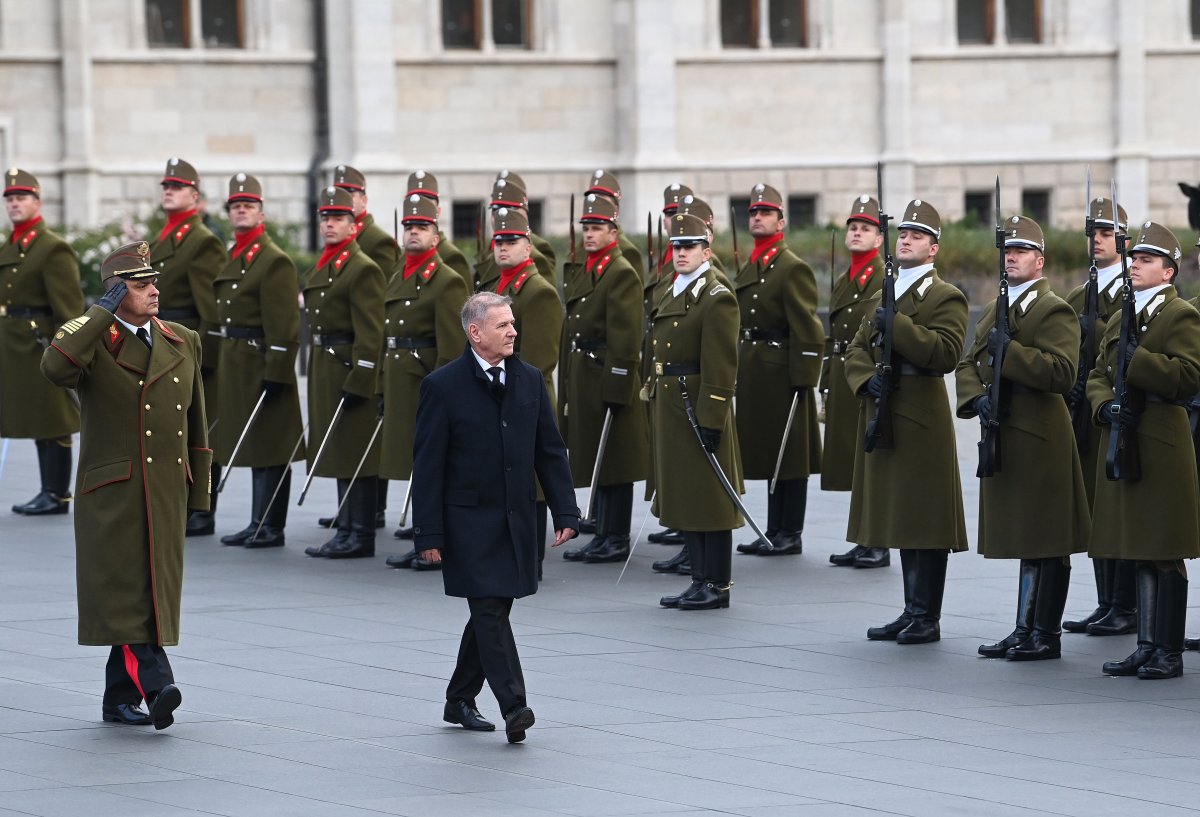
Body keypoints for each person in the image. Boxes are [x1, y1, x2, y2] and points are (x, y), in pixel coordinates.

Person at [41, 240, 209, 729]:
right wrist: (101, 314)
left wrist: (199, 494)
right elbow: (54, 368)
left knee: (148, 590)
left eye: (154, 281)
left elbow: (196, 420)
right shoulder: (92, 341)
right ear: (116, 294)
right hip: (113, 493)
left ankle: (118, 699)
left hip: (165, 490)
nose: (154, 290)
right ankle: (157, 684)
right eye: (140, 285)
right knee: (127, 590)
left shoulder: (182, 339)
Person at [412, 292, 579, 743]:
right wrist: (428, 532)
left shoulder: (529, 379)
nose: (512, 331)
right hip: (466, 521)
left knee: (493, 607)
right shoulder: (442, 386)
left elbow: (549, 449)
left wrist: (566, 509)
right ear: (475, 332)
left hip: (516, 516)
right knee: (488, 607)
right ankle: (515, 705)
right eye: (502, 325)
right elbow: (427, 466)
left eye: (512, 324)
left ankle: (459, 696)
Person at [955, 215, 1090, 660]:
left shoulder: (1054, 309)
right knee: (1025, 537)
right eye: (1007, 251)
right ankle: (1022, 628)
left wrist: (1009, 353)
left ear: (1040, 260)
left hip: (1042, 435)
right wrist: (977, 400)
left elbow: (1062, 373)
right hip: (1005, 432)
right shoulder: (998, 307)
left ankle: (1045, 634)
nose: (1011, 257)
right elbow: (968, 363)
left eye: (1021, 251)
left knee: (1047, 538)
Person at [844, 199, 968, 644]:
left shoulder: (945, 295)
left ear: (934, 248)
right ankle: (910, 609)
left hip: (921, 416)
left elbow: (945, 354)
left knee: (925, 520)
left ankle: (926, 616)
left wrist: (896, 326)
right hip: (885, 410)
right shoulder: (884, 292)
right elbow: (856, 350)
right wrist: (864, 381)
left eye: (917, 236)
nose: (907, 241)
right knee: (900, 515)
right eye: (903, 234)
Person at [1089, 222, 1200, 680]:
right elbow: (1097, 374)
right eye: (1134, 259)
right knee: (1137, 545)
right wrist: (1106, 406)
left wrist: (1139, 362)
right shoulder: (1121, 315)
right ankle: (1146, 644)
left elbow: (1189, 377)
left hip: (1163, 439)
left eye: (1146, 261)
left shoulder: (1182, 316)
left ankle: (1168, 651)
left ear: (1169, 272)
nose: (1134, 265)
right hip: (1125, 434)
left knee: (1163, 548)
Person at [651, 213, 743, 611]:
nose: (681, 253)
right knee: (687, 495)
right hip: (672, 405)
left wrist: (712, 418)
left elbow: (721, 364)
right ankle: (698, 579)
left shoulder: (716, 295)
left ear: (707, 250)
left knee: (712, 498)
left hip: (698, 405)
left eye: (689, 246)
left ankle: (717, 585)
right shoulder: (676, 289)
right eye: (676, 246)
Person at [213, 174, 305, 549]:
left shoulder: (273, 260)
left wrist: (278, 371)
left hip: (262, 362)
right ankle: (256, 521)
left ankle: (270, 526)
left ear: (261, 213)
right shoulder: (236, 254)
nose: (241, 212)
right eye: (236, 206)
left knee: (271, 445)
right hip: (237, 361)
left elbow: (284, 324)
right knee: (252, 442)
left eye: (248, 206)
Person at [732, 184, 824, 557]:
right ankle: (773, 529)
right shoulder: (752, 263)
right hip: (757, 371)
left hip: (784, 372)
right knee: (772, 451)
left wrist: (804, 380)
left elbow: (807, 327)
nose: (757, 217)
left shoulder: (791, 267)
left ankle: (790, 532)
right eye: (753, 212)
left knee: (791, 454)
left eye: (765, 212)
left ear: (781, 221)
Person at [557, 194, 649, 565]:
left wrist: (618, 385)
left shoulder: (621, 271)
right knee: (599, 455)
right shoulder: (590, 268)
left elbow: (626, 337)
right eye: (587, 228)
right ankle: (603, 533)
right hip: (586, 374)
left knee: (615, 460)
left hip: (607, 375)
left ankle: (616, 537)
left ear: (614, 231)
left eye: (597, 228)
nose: (590, 235)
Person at [379, 194, 468, 570]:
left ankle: (437, 545)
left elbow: (450, 346)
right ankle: (424, 540)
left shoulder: (446, 280)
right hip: (403, 380)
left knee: (434, 466)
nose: (413, 232)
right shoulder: (401, 272)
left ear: (436, 234)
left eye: (422, 227)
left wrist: (444, 395)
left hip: (428, 382)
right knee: (419, 462)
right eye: (409, 227)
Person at [1061, 197, 1137, 636]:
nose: (1097, 240)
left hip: (1116, 408)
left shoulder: (1132, 289)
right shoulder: (1077, 295)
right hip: (1082, 408)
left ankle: (1125, 604)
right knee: (1093, 504)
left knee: (1116, 504)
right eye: (1093, 232)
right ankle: (1107, 601)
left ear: (1123, 240)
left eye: (1106, 233)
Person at [301, 186, 386, 560]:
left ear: (354, 224)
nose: (330, 225)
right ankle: (346, 529)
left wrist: (363, 376)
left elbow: (371, 332)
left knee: (357, 454)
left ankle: (361, 533)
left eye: (338, 218)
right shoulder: (327, 262)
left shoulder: (362, 267)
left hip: (349, 368)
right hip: (326, 367)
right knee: (338, 449)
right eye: (326, 219)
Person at [149, 158, 226, 536]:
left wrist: (204, 360)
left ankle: (203, 510)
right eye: (166, 186)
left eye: (177, 187)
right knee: (171, 428)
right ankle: (180, 504)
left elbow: (211, 308)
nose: (169, 191)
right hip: (164, 341)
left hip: (187, 346)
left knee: (198, 430)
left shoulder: (201, 241)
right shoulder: (167, 237)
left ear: (194, 196)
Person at [1, 168, 84, 516]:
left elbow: (69, 309)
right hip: (12, 345)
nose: (14, 204)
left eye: (21, 198)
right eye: (10, 198)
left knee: (53, 418)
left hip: (41, 344)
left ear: (38, 202)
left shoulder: (52, 248)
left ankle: (56, 493)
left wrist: (66, 353)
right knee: (34, 417)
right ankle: (47, 490)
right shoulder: (12, 244)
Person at [492, 206, 564, 573]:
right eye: (499, 241)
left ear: (528, 246)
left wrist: (511, 391)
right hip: (498, 390)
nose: (503, 247)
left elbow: (540, 358)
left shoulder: (538, 292)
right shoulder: (499, 290)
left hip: (524, 396)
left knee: (531, 478)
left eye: (512, 241)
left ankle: (532, 556)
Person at [825, 196, 887, 567]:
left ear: (879, 240)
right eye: (852, 227)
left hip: (867, 373)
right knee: (856, 463)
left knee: (872, 459)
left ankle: (877, 541)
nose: (856, 232)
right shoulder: (845, 278)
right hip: (845, 373)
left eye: (865, 228)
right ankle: (864, 537)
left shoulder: (882, 277)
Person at [404, 170, 472, 288]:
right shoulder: (404, 255)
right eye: (413, 201)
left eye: (426, 202)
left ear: (438, 211)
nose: (419, 207)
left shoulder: (450, 256)